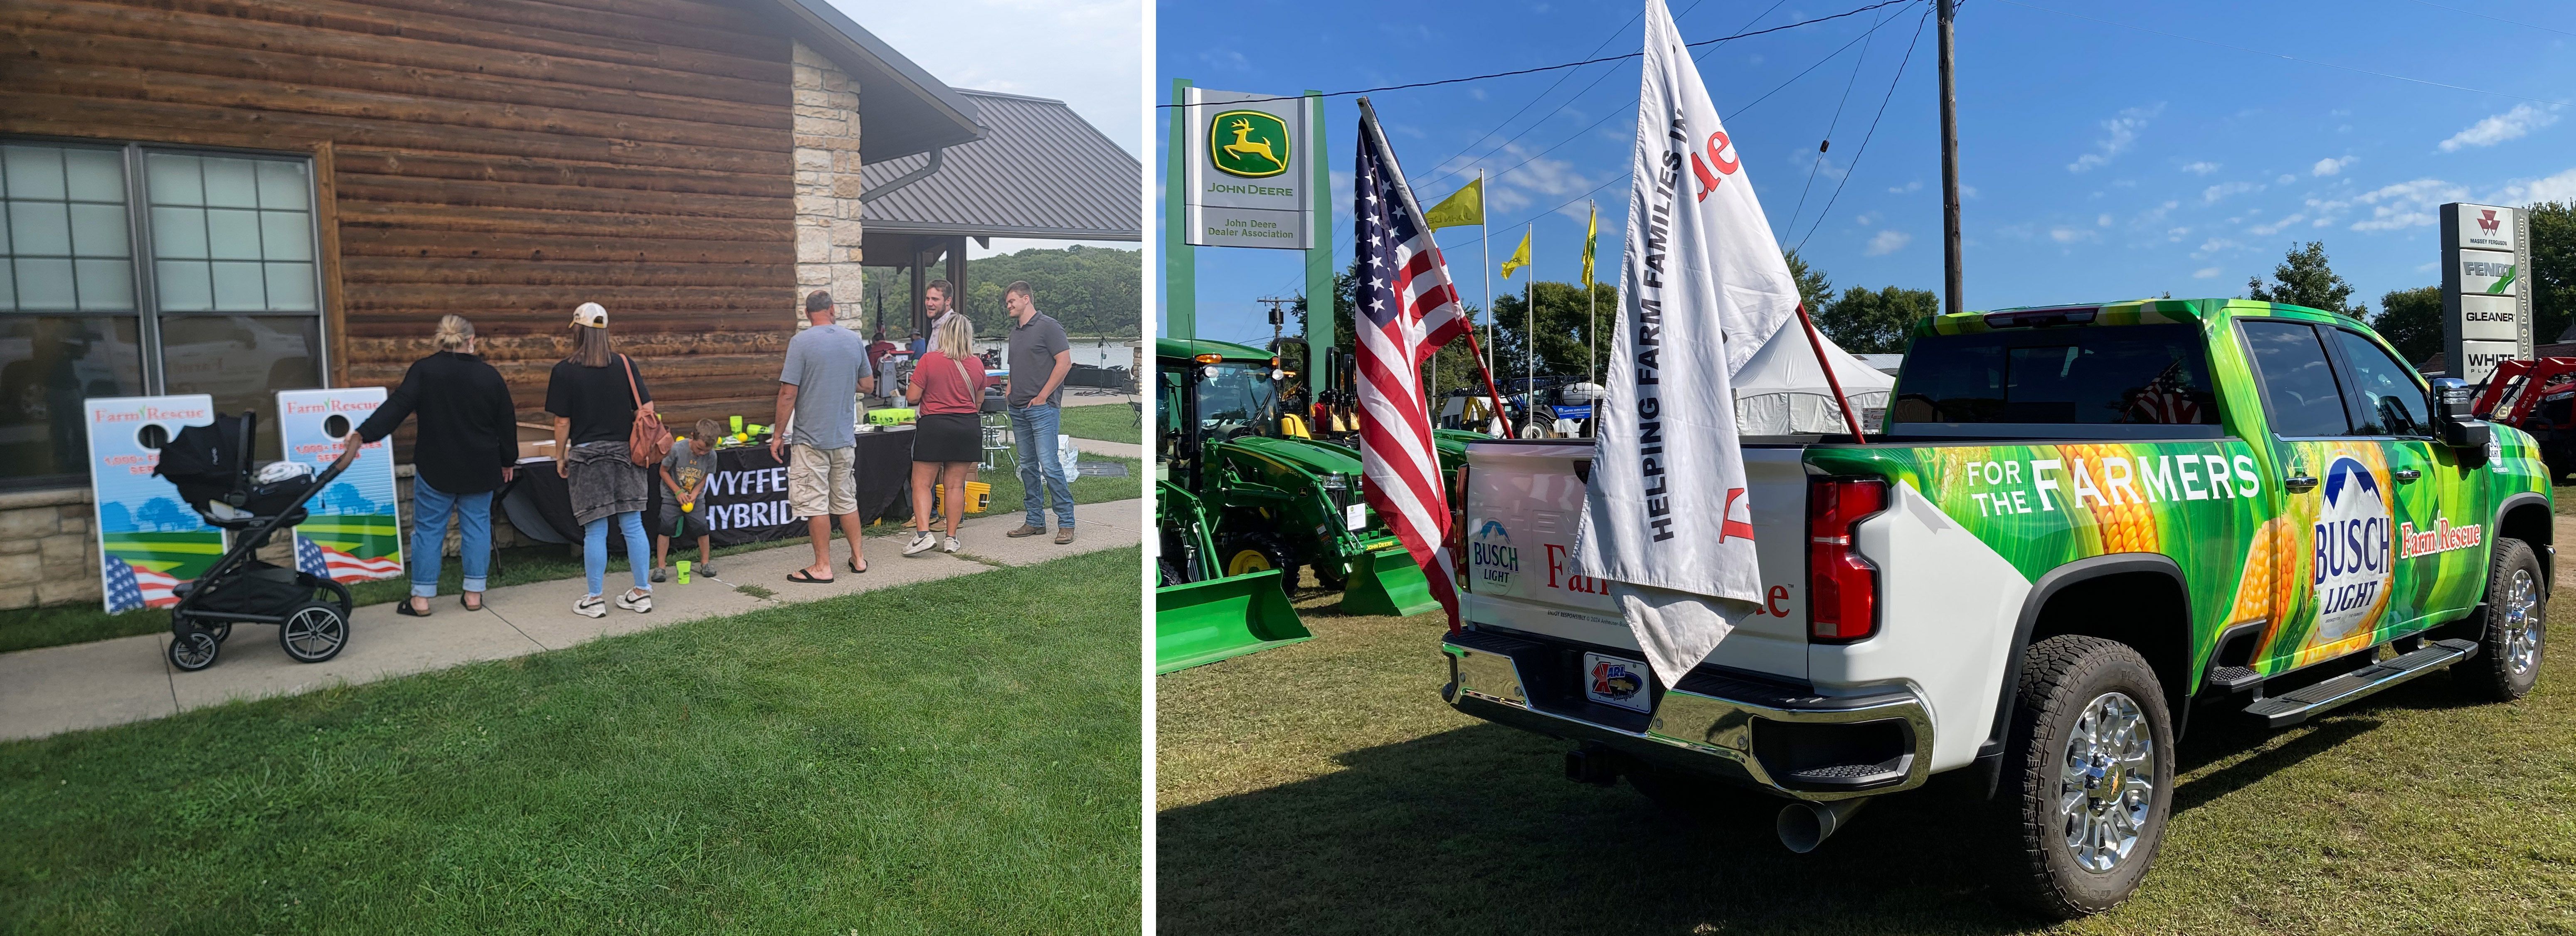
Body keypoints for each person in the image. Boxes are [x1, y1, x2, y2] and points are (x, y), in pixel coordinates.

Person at [344, 314, 516, 616]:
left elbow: (396, 407)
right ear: (472, 341)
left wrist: (364, 433)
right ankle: (474, 596)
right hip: (480, 468)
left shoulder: (424, 371)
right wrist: (508, 461)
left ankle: (421, 600)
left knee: (428, 531)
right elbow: (506, 425)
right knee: (476, 529)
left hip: (436, 466)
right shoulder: (490, 376)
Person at [547, 301, 655, 618]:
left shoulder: (564, 371)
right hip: (626, 454)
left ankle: (594, 599)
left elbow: (562, 422)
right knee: (633, 525)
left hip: (587, 455)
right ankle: (641, 593)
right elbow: (646, 409)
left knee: (595, 532)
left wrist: (559, 456)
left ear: (577, 331)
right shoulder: (625, 364)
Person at [772, 290, 875, 582]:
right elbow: (867, 385)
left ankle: (822, 567)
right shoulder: (853, 340)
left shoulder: (800, 343)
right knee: (845, 499)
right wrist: (841, 383)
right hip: (843, 437)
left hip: (810, 439)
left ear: (807, 313)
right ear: (833, 309)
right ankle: (858, 558)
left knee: (816, 502)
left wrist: (778, 435)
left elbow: (788, 393)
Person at [903, 313, 991, 556]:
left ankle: (923, 536)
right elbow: (979, 401)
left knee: (922, 482)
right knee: (955, 486)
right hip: (966, 427)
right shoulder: (977, 364)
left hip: (934, 426)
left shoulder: (929, 360)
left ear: (944, 334)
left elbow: (912, 397)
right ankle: (951, 538)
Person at [1002, 280, 1076, 544]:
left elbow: (1065, 362)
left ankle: (1066, 523)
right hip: (1018, 409)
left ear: (1026, 299)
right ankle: (1035, 521)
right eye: (1007, 302)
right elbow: (1013, 367)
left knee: (1050, 465)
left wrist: (1043, 396)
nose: (1008, 306)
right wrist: (1009, 394)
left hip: (1043, 409)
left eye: (1012, 301)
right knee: (1028, 467)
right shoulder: (1015, 333)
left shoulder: (1049, 327)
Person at [654, 418, 721, 582]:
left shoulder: (712, 455)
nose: (702, 453)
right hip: (672, 496)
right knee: (666, 527)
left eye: (707, 450)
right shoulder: (677, 449)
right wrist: (677, 492)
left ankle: (705, 563)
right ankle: (661, 567)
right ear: (692, 436)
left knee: (701, 527)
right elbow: (663, 472)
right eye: (700, 449)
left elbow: (706, 475)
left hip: (695, 498)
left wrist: (697, 492)